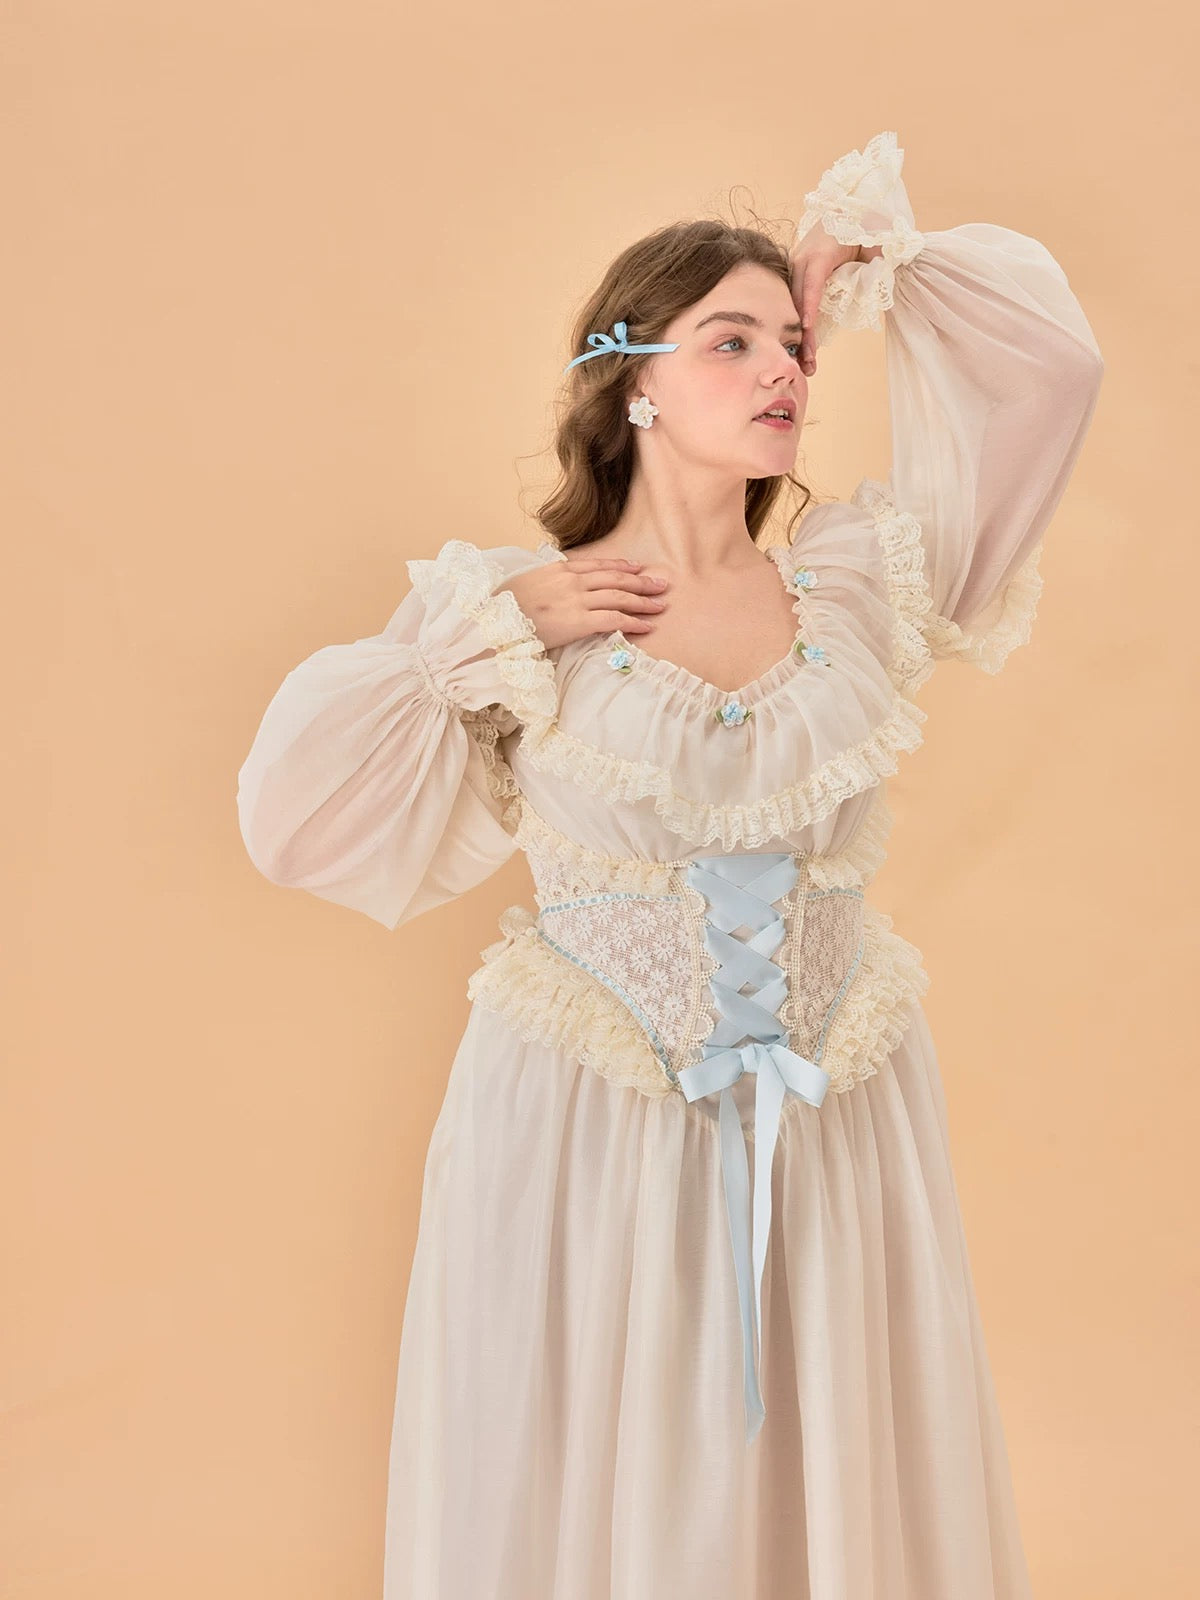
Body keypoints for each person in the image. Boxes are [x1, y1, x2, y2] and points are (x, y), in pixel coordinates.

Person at [236, 130, 1103, 1598]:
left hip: (833, 1123)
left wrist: (867, 269)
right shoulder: (516, 618)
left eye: (793, 345)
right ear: (633, 380)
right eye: (731, 341)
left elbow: (1055, 375)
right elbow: (292, 818)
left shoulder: (860, 586)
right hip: (588, 1129)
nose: (784, 371)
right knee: (598, 1477)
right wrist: (490, 633)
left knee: (826, 1479)